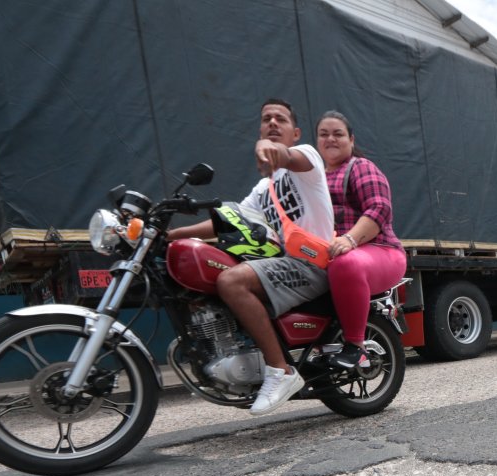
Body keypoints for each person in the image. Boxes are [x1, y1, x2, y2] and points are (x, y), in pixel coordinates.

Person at [169, 99, 333, 416]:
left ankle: (280, 370)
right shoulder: (263, 188)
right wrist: (171, 235)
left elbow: (284, 155)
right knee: (217, 267)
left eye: (280, 119)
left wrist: (267, 148)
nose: (272, 122)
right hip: (284, 264)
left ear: (295, 132)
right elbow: (230, 220)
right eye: (266, 119)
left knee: (231, 280)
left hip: (313, 264)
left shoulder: (308, 160)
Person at [316, 110, 407, 370]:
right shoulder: (314, 179)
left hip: (380, 250)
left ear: (351, 140)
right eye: (324, 134)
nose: (330, 139)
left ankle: (356, 347)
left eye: (338, 134)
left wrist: (350, 239)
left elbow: (380, 209)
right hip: (328, 253)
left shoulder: (360, 167)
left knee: (345, 264)